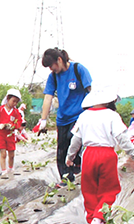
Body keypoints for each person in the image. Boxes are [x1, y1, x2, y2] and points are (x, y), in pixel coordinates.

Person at [65, 86, 134, 224]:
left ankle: (92, 219)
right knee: (109, 189)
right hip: (107, 154)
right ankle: (99, 219)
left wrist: (70, 157)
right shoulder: (112, 116)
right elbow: (123, 140)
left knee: (89, 188)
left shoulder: (84, 116)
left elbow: (76, 140)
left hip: (88, 154)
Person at [40, 48, 92, 188]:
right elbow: (48, 97)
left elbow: (90, 90)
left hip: (79, 115)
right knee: (61, 149)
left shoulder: (78, 69)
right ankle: (66, 178)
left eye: (52, 65)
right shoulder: (54, 77)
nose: (51, 69)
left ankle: (78, 168)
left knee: (74, 141)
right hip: (63, 118)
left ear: (59, 60)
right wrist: (43, 120)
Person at [0, 89, 23, 175]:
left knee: (11, 154)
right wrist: (0, 125)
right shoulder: (0, 110)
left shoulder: (16, 112)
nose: (15, 103)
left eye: (16, 102)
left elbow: (19, 122)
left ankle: (11, 169)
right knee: (3, 153)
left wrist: (14, 126)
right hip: (0, 135)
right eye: (13, 101)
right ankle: (4, 170)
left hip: (10, 135)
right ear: (8, 99)